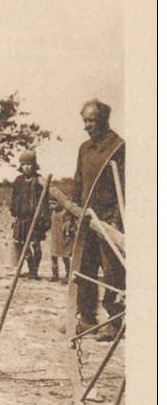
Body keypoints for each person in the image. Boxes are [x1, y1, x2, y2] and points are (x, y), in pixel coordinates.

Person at [72, 99, 125, 341]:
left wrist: (115, 220)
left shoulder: (118, 147)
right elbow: (79, 182)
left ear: (104, 119)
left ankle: (114, 322)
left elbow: (125, 187)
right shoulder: (84, 148)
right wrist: (74, 214)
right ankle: (86, 319)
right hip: (86, 219)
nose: (87, 125)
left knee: (112, 271)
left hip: (109, 219)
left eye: (91, 120)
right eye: (84, 120)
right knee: (85, 269)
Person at [9, 150, 49, 280]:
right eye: (24, 164)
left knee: (35, 244)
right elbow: (14, 198)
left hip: (35, 219)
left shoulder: (39, 181)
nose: (26, 166)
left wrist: (44, 219)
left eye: (29, 163)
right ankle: (30, 267)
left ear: (34, 165)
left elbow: (45, 201)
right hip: (22, 218)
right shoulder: (18, 181)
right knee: (20, 243)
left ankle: (35, 271)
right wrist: (14, 213)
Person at [48, 199, 74, 284]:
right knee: (53, 256)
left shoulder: (65, 213)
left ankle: (68, 275)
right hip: (54, 237)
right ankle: (55, 274)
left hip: (63, 238)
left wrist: (67, 230)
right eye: (50, 204)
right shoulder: (53, 212)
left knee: (65, 257)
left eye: (54, 204)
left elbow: (68, 225)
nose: (51, 206)